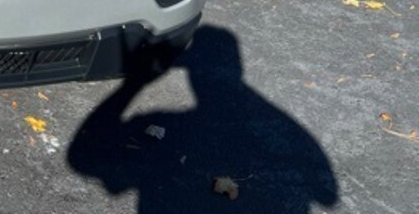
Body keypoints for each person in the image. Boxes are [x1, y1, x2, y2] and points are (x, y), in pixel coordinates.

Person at [67, 26, 338, 213]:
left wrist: (133, 85)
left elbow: (81, 157)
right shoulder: (293, 134)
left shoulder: (170, 121)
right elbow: (327, 194)